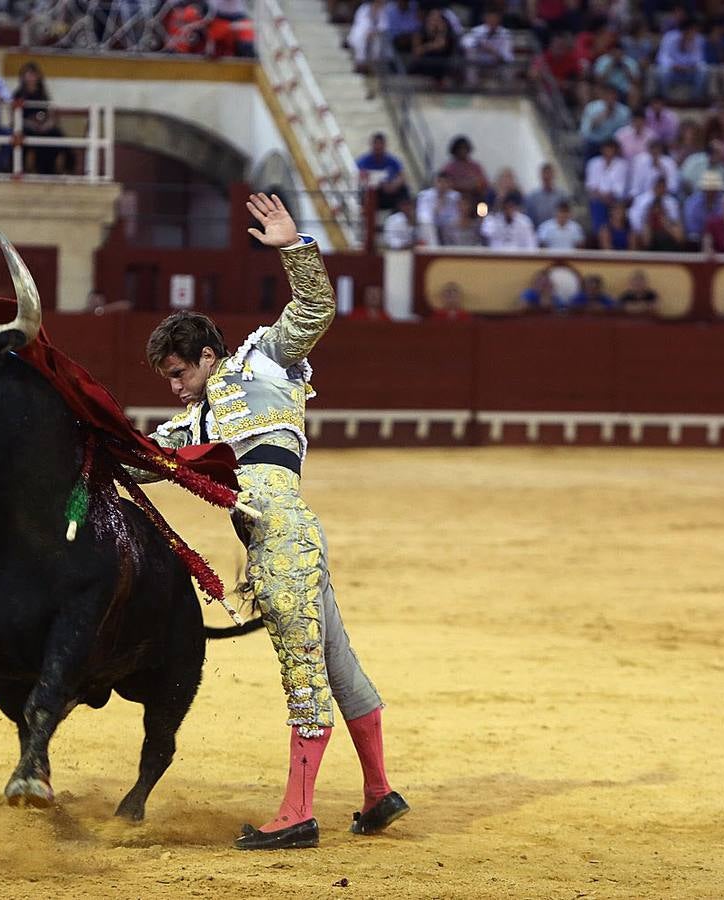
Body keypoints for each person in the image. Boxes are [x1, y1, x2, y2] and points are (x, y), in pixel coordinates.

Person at [139, 195, 406, 851]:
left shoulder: (264, 360)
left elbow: (314, 309)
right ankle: (378, 793)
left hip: (280, 532)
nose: (174, 387)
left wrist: (293, 247)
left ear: (206, 354)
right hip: (285, 534)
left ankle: (297, 814)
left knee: (304, 676)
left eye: (178, 373)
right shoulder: (197, 420)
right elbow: (141, 454)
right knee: (340, 669)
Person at [14, 60, 69, 175]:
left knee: (56, 134)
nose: (31, 77)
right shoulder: (18, 94)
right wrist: (31, 123)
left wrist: (46, 124)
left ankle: (49, 169)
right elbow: (15, 116)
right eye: (28, 74)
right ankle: (21, 168)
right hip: (25, 126)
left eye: (33, 74)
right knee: (24, 135)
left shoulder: (43, 94)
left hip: (43, 126)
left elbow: (50, 113)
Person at [460, 8, 512, 88]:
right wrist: (480, 45)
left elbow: (508, 56)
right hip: (479, 61)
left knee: (508, 65)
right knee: (470, 54)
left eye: (494, 18)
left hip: (496, 62)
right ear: (486, 19)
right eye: (490, 18)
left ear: (499, 20)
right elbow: (464, 43)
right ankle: (472, 85)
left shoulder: (505, 33)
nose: (492, 21)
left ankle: (507, 89)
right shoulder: (477, 31)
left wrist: (494, 52)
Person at [355, 132, 408, 210]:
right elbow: (356, 174)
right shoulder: (363, 161)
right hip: (370, 192)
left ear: (384, 145)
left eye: (380, 144)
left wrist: (393, 186)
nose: (378, 147)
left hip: (387, 192)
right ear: (372, 145)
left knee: (403, 190)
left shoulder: (392, 160)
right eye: (376, 144)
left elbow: (402, 175)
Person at [584, 138, 628, 232]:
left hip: (614, 198)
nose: (608, 152)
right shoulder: (593, 163)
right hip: (598, 198)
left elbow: (620, 187)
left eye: (611, 149)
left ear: (615, 150)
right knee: (596, 204)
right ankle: (599, 233)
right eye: (606, 149)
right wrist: (601, 196)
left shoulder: (622, 165)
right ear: (602, 149)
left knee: (617, 207)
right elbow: (591, 185)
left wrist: (610, 196)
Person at [577, 83, 630, 158]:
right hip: (595, 142)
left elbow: (625, 132)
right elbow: (584, 132)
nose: (610, 98)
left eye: (613, 95)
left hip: (613, 144)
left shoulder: (624, 111)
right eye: (608, 95)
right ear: (603, 96)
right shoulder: (592, 107)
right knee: (589, 145)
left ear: (617, 97)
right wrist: (597, 121)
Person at [438, 135, 488, 202]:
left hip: (473, 201)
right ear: (454, 150)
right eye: (460, 149)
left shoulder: (475, 167)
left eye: (465, 148)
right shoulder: (448, 168)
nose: (462, 151)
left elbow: (483, 183)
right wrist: (466, 185)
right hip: (453, 202)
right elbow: (444, 185)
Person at [414, 172, 459, 245]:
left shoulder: (456, 197)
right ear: (435, 183)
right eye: (439, 181)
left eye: (445, 182)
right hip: (431, 225)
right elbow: (423, 216)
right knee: (425, 223)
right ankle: (433, 249)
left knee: (455, 224)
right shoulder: (424, 196)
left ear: (450, 184)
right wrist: (436, 210)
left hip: (448, 226)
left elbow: (456, 216)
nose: (442, 185)